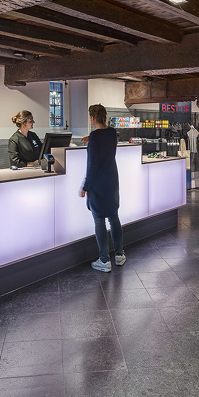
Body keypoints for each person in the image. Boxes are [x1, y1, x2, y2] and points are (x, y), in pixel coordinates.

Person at [80, 104, 124, 272]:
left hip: (98, 183)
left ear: (92, 118)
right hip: (112, 180)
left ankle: (104, 260)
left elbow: (92, 165)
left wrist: (85, 186)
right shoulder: (112, 133)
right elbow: (105, 145)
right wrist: (91, 139)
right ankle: (119, 255)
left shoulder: (95, 136)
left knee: (99, 219)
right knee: (114, 216)